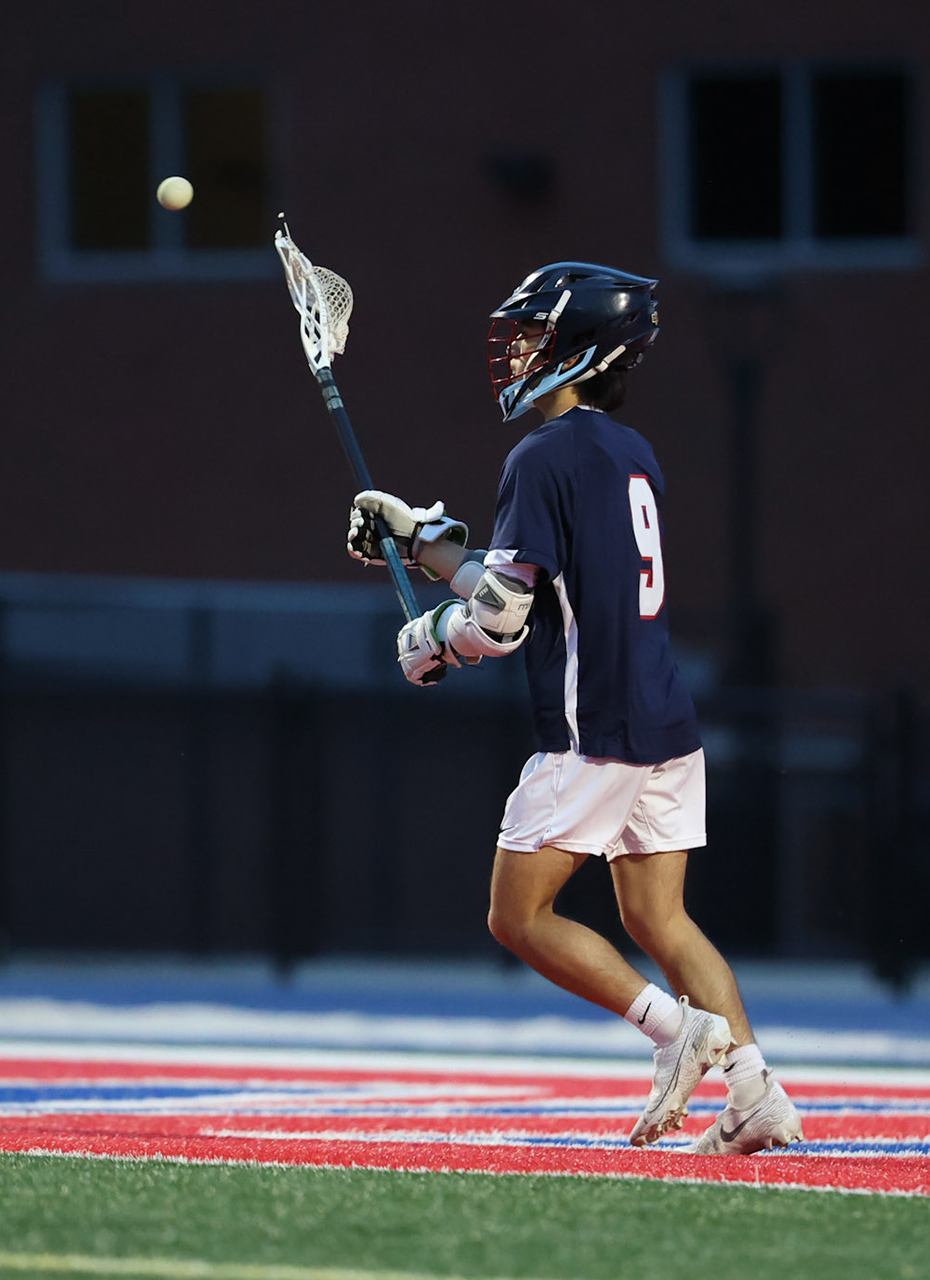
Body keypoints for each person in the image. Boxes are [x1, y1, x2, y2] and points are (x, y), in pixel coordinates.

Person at [344, 263, 804, 1155]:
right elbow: (542, 587)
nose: (516, 350)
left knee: (517, 917)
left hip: (593, 728)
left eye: (533, 336)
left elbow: (504, 622)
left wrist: (433, 639)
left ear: (580, 352)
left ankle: (680, 1035)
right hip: (664, 717)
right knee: (658, 920)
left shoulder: (538, 456)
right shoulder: (630, 452)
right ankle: (757, 1093)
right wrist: (421, 543)